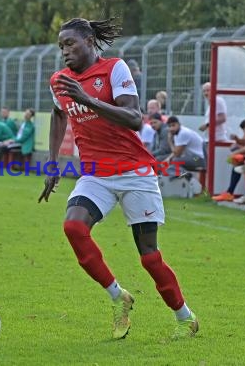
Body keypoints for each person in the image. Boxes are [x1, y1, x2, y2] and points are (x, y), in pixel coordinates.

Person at [39, 17, 198, 340]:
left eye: (70, 43)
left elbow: (134, 119)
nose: (65, 51)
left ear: (89, 42)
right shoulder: (60, 81)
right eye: (60, 46)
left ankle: (185, 317)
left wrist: (87, 99)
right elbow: (59, 114)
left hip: (135, 172)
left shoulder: (115, 69)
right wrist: (53, 163)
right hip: (95, 175)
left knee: (150, 257)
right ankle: (118, 297)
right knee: (73, 227)